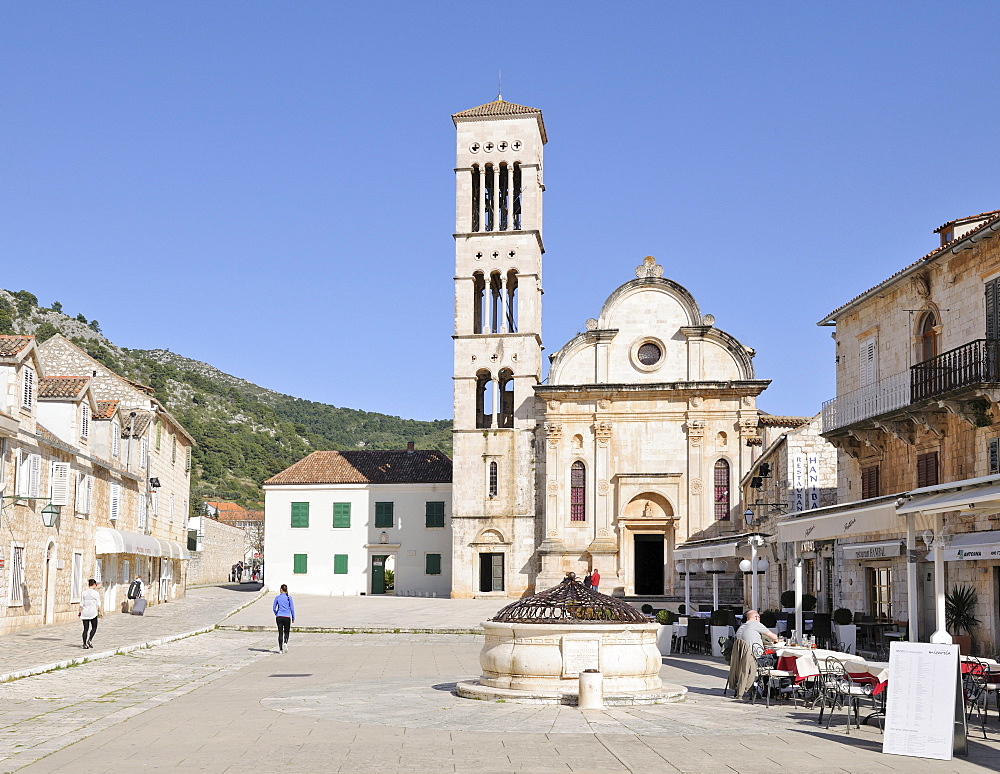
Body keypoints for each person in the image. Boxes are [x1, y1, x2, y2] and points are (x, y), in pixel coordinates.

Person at [79, 578, 102, 649]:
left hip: (85, 612)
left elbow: (81, 604)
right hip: (93, 612)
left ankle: (84, 644)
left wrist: (79, 612)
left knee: (85, 629)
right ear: (94, 584)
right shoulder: (96, 593)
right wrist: (101, 612)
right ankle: (90, 639)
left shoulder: (84, 593)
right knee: (94, 627)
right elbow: (98, 604)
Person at [273, 584, 295, 653]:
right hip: (287, 617)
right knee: (286, 632)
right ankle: (285, 642)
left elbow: (274, 608)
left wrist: (277, 613)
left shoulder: (277, 597)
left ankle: (280, 649)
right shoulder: (289, 598)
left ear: (281, 590)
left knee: (280, 633)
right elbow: (292, 608)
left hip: (279, 616)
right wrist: (293, 617)